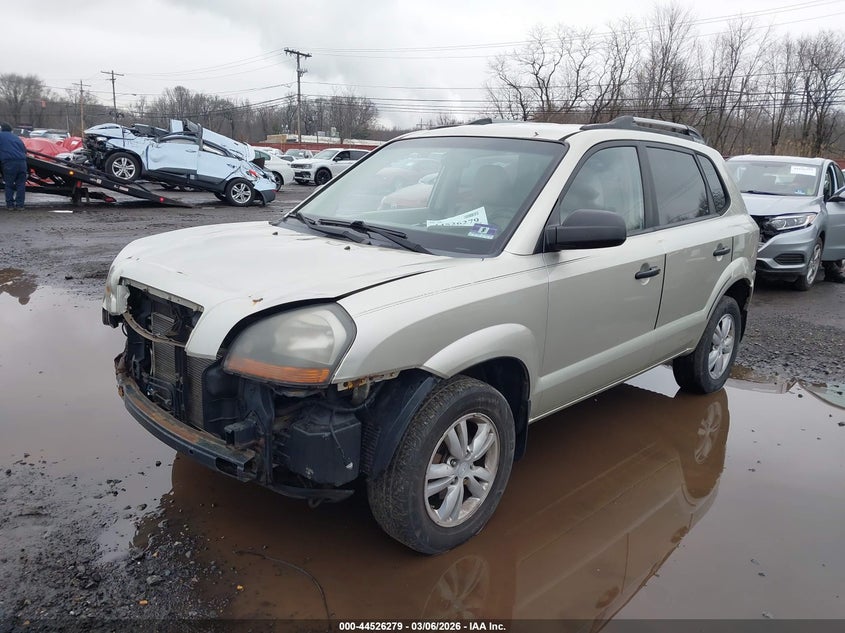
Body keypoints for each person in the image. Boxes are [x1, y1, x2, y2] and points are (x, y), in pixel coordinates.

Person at [0, 121, 28, 209]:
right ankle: (20, 205)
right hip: (22, 163)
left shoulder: (1, 136)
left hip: (9, 163)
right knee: (21, 185)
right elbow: (24, 150)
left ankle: (10, 205)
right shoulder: (17, 138)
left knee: (9, 184)